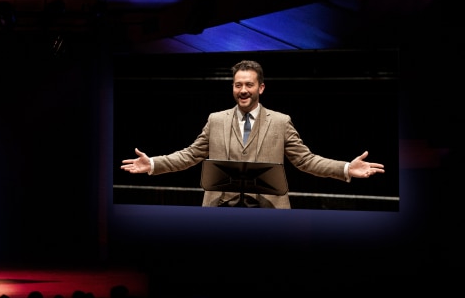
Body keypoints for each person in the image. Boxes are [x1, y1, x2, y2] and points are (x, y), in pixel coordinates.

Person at [120, 59, 384, 208]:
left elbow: (306, 160)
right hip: (221, 209)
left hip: (268, 211)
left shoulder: (281, 122)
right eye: (237, 85)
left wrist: (347, 168)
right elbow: (189, 155)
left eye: (248, 84)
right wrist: (153, 163)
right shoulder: (216, 120)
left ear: (261, 88)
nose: (242, 90)